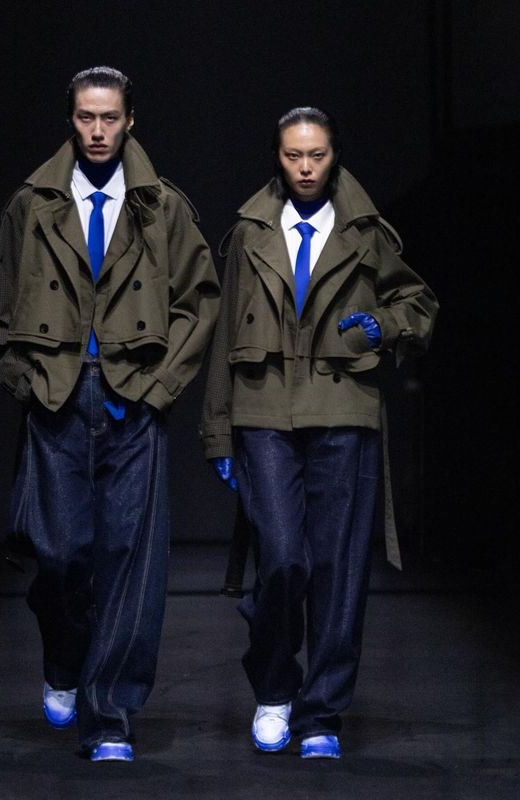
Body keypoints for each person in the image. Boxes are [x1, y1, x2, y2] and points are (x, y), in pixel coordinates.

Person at [0, 66, 219, 762]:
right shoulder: (32, 204)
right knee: (58, 557)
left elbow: (198, 302)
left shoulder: (162, 207)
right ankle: (64, 659)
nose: (98, 131)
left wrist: (159, 388)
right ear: (71, 119)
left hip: (132, 398)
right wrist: (27, 383)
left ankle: (109, 716)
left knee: (129, 565)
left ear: (130, 120)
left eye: (110, 117)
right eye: (86, 117)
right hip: (57, 397)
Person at [200, 107, 438, 759]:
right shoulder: (249, 233)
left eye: (316, 155)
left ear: (334, 156)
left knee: (339, 570)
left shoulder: (366, 232)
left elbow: (418, 304)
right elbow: (223, 333)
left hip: (344, 408)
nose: (305, 168)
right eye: (293, 155)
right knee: (282, 559)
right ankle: (274, 687)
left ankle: (322, 714)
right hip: (263, 410)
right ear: (276, 157)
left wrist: (383, 327)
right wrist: (217, 430)